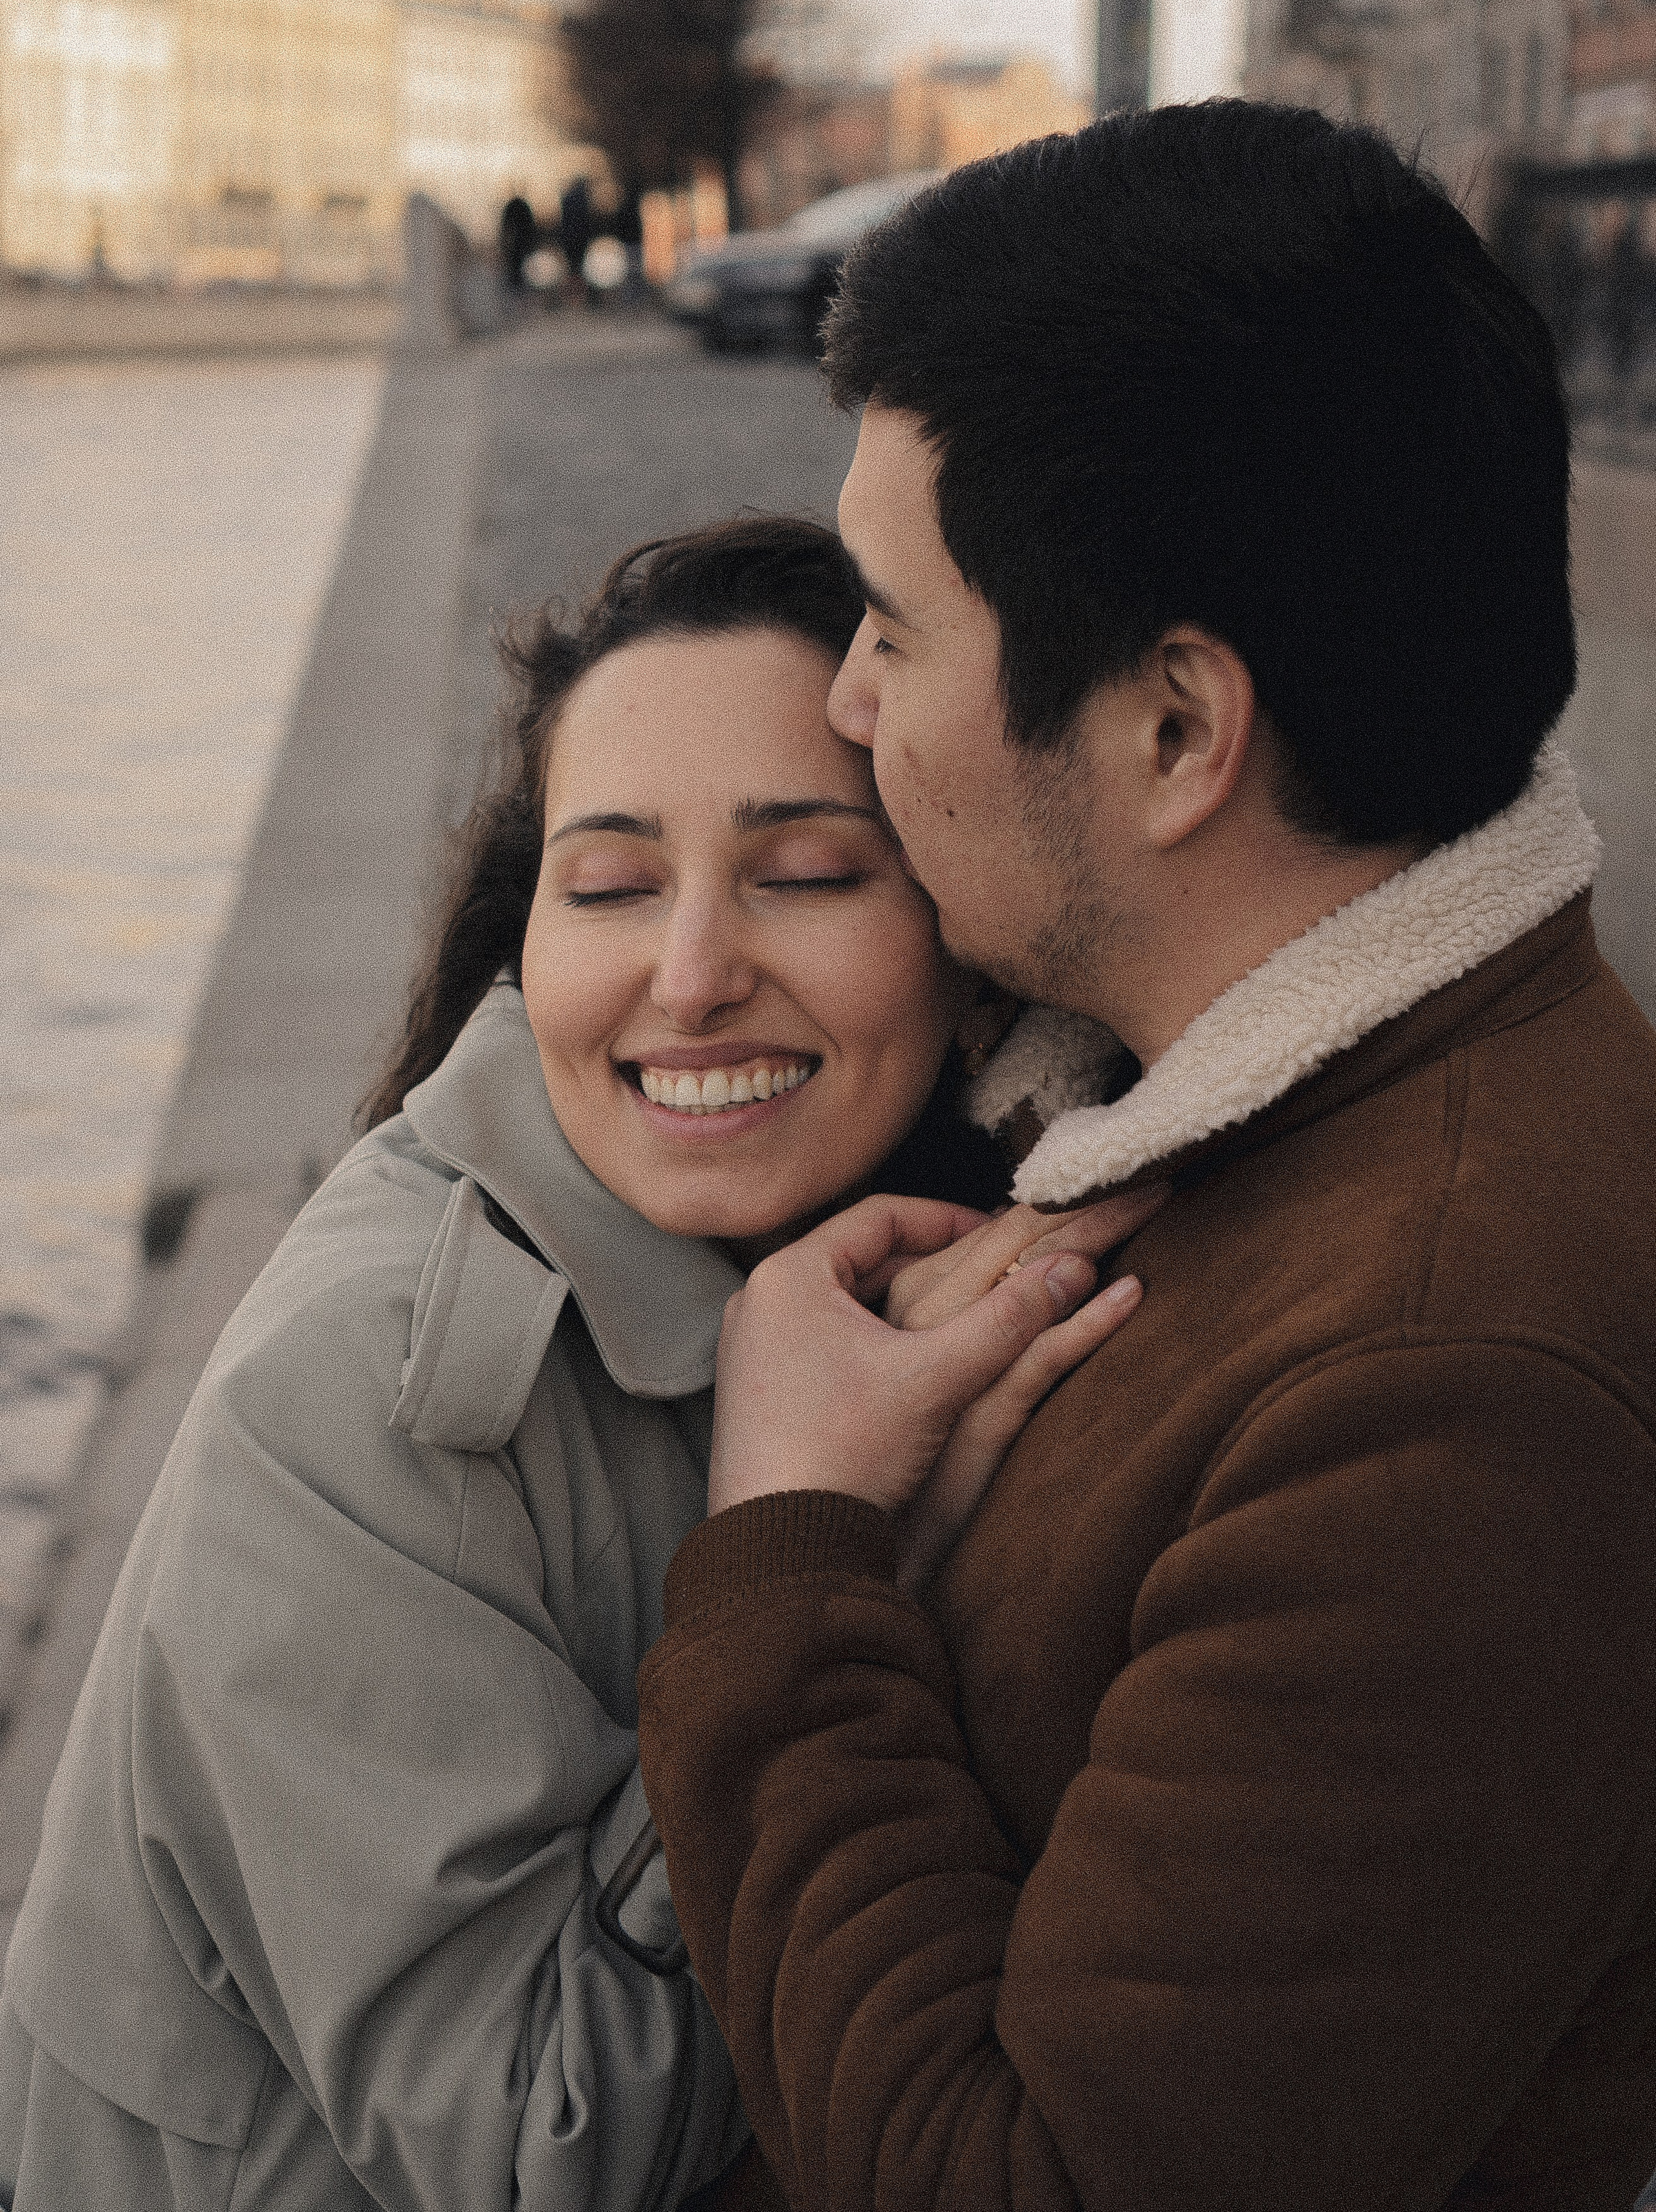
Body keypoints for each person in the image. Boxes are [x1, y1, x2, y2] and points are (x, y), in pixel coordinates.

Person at [634, 103, 1656, 2211]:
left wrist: (792, 1546)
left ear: (1176, 732)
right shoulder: (1221, 1110)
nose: (842, 700)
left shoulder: (1446, 1401)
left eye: (900, 629)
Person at [0, 517, 1153, 2211]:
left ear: (968, 943)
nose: (690, 977)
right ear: (524, 933)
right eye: (609, 886)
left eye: (809, 874)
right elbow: (549, 2151)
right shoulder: (368, 1396)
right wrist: (823, 1547)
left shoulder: (960, 1246)